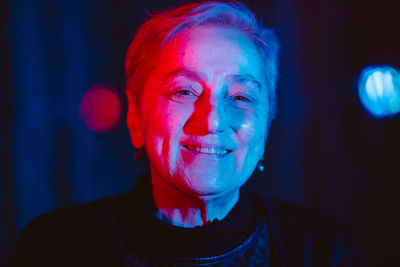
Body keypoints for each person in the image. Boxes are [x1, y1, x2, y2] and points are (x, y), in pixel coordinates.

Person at [12, 1, 365, 266]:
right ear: (136, 116)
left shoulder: (322, 251)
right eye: (184, 92)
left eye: (241, 97)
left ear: (266, 126)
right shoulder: (58, 248)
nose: (212, 121)